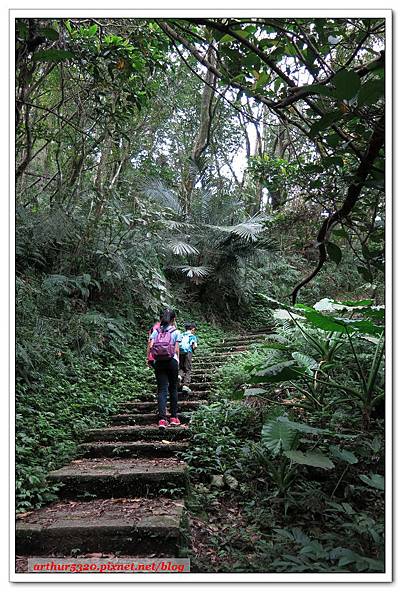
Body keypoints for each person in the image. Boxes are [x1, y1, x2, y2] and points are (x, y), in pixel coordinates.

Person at [148, 308, 182, 429]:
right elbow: (177, 349)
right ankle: (174, 417)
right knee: (173, 389)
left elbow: (151, 346)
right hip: (172, 361)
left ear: (162, 318)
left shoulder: (156, 331)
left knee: (162, 390)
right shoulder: (176, 332)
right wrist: (177, 362)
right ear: (174, 319)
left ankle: (162, 419)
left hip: (159, 362)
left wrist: (151, 360)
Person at [179, 322, 198, 393]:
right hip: (188, 352)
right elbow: (195, 346)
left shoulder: (181, 335)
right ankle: (185, 385)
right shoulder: (192, 336)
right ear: (192, 329)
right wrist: (193, 349)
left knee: (181, 367)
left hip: (180, 353)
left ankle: (179, 376)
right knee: (188, 369)